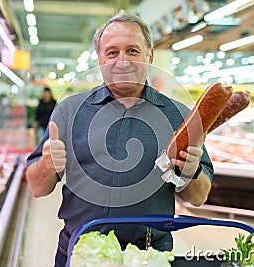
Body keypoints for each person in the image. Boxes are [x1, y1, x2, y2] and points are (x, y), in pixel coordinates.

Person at [26, 10, 213, 267]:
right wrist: (47, 166)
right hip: (81, 252)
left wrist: (190, 172)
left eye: (133, 51)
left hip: (150, 257)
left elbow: (199, 197)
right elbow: (37, 188)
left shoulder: (180, 117)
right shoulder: (69, 111)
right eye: (112, 52)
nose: (121, 61)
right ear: (100, 59)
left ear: (150, 56)